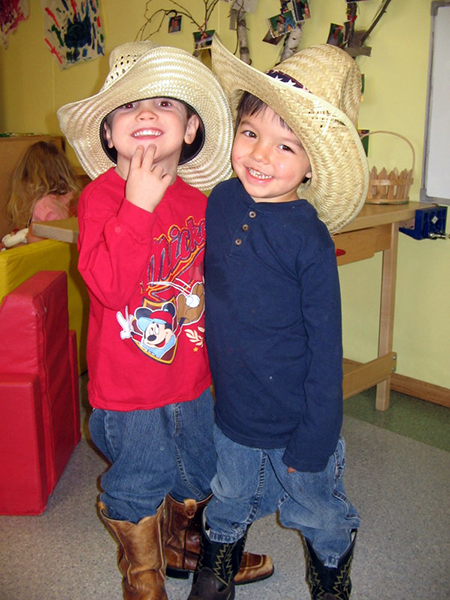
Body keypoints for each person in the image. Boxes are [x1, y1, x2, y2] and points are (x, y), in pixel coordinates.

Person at [57, 41, 273, 600]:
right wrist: (138, 206)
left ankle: (185, 545)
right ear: (108, 134)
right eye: (128, 107)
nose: (147, 114)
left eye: (164, 105)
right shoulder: (100, 200)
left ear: (192, 127)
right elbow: (107, 286)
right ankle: (144, 576)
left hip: (192, 379)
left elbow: (220, 287)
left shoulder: (202, 203)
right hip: (128, 392)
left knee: (200, 468)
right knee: (140, 479)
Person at [187, 36, 369, 600]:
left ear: (314, 165)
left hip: (298, 418)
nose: (261, 155)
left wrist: (316, 438)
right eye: (251, 134)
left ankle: (330, 572)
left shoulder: (309, 242)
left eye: (287, 147)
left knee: (318, 509)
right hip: (235, 410)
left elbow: (325, 348)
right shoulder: (219, 201)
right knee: (230, 493)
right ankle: (217, 569)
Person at [1, 140, 80, 249]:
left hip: (45, 258)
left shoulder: (43, 205)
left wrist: (15, 246)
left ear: (32, 179)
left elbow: (41, 245)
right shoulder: (71, 197)